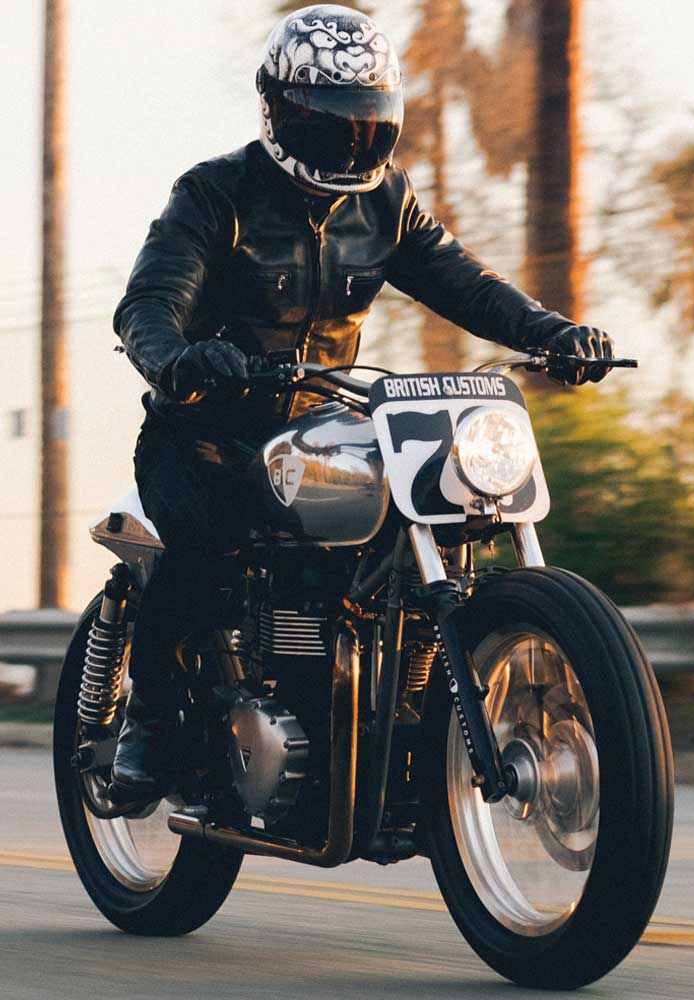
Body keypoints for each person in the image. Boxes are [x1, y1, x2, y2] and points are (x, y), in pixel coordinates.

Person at [108, 4, 613, 803]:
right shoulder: (213, 195)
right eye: (330, 126)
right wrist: (179, 359)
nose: (351, 146)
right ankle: (149, 722)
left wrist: (552, 333)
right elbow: (149, 302)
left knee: (417, 544)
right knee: (202, 547)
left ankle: (391, 720)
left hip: (322, 431)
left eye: (368, 127)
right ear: (277, 111)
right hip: (202, 431)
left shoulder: (386, 204)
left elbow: (465, 285)